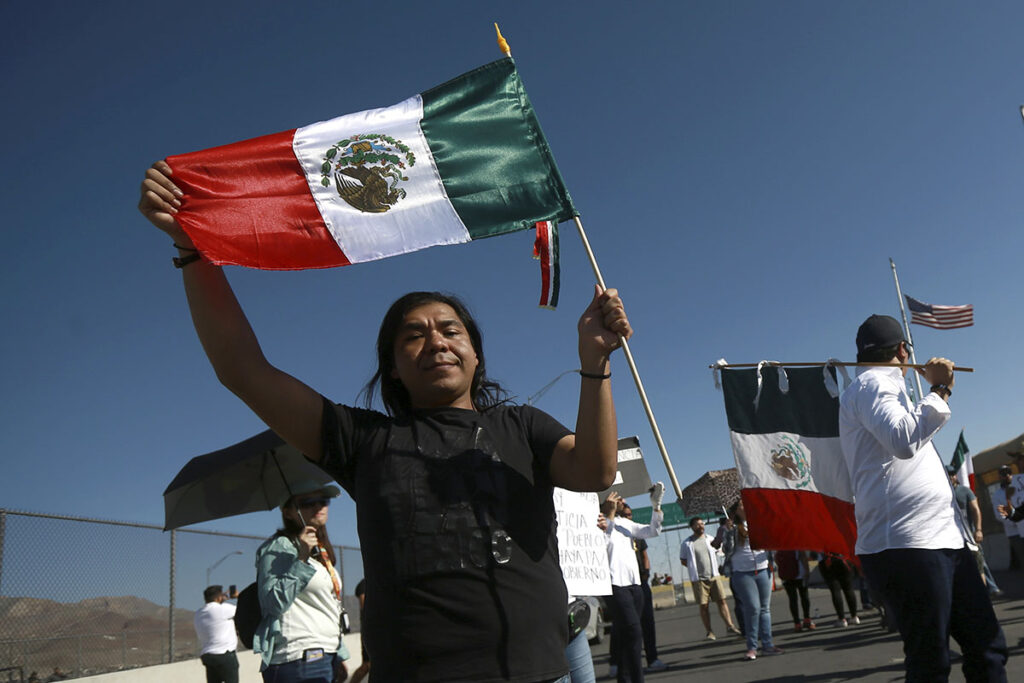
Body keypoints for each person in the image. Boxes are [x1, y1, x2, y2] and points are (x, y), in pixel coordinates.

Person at [139, 160, 632, 683]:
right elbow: (241, 369)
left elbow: (595, 471)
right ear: (393, 368)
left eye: (450, 330)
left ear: (475, 355)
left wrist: (595, 362)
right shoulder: (363, 441)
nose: (436, 341)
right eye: (413, 336)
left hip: (539, 672)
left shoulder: (522, 426)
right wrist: (192, 249)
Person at [838, 314, 1007, 681]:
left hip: (941, 541)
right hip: (909, 545)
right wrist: (941, 390)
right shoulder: (872, 384)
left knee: (986, 644)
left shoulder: (881, 388)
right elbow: (902, 438)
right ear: (902, 350)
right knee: (931, 660)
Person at [253, 482, 350, 682]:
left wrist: (338, 652)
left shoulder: (321, 552)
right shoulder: (279, 547)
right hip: (298, 657)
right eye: (307, 503)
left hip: (326, 654)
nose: (318, 506)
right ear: (287, 512)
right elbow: (272, 603)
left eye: (323, 501)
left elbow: (328, 605)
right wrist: (301, 559)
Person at [598, 488, 664, 683]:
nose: (623, 500)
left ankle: (624, 678)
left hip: (634, 586)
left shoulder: (625, 523)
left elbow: (652, 531)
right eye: (618, 498)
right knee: (634, 631)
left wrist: (656, 506)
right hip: (614, 586)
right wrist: (608, 516)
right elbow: (601, 545)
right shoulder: (599, 522)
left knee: (628, 636)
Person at [728, 500, 782, 661]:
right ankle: (752, 647)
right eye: (741, 504)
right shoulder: (731, 528)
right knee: (753, 608)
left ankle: (767, 645)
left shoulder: (759, 521)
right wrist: (727, 531)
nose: (745, 505)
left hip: (763, 568)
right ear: (736, 510)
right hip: (742, 572)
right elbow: (726, 549)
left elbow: (771, 540)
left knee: (765, 609)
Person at [620, 504, 665, 673]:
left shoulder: (636, 533)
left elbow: (645, 555)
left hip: (641, 582)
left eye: (630, 514)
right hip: (623, 585)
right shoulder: (614, 532)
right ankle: (619, 663)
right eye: (625, 515)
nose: (628, 518)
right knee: (627, 626)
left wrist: (646, 573)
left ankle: (652, 658)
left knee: (647, 622)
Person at [679, 517, 740, 641]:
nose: (701, 526)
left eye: (702, 524)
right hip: (699, 579)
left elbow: (721, 551)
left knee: (722, 601)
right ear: (692, 527)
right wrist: (694, 568)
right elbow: (684, 560)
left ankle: (730, 626)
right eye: (697, 525)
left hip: (714, 576)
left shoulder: (710, 539)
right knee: (704, 606)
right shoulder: (687, 543)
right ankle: (710, 631)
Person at [194, 584, 239, 683]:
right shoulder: (223, 609)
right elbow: (243, 609)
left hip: (208, 656)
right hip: (225, 655)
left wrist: (221, 598)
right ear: (219, 597)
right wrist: (237, 597)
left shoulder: (198, 613)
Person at [710, 514, 743, 637]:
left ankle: (744, 628)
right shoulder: (743, 525)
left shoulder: (723, 528)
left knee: (739, 600)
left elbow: (716, 544)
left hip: (734, 566)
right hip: (749, 565)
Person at [992, 464, 1024, 570]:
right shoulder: (997, 495)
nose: (1007, 476)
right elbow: (1000, 515)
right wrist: (1016, 521)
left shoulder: (1020, 486)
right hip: (1015, 533)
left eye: (1009, 473)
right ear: (999, 477)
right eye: (1003, 474)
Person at [775, 550, 815, 632]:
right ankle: (807, 620)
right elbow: (803, 557)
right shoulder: (796, 541)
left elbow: (776, 559)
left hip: (786, 576)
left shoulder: (779, 544)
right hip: (800, 574)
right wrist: (807, 571)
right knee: (804, 597)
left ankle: (797, 623)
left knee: (792, 599)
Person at [817, 553, 859, 627]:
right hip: (843, 559)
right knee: (848, 589)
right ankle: (854, 616)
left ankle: (841, 618)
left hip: (828, 562)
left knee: (835, 591)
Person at [348, 579, 370, 683]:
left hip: (382, 630)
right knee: (367, 665)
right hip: (370, 631)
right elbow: (364, 606)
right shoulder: (363, 585)